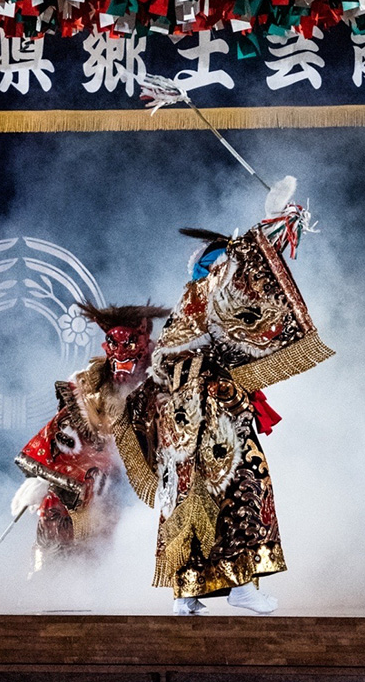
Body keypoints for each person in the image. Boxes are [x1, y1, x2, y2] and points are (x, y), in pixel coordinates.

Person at [114, 179, 335, 614]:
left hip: (182, 425)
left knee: (188, 498)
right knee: (239, 486)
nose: (243, 277)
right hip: (211, 415)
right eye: (230, 267)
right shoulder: (210, 297)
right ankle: (242, 588)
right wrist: (274, 221)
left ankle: (188, 592)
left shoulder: (189, 308)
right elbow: (249, 265)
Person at [10, 302, 170, 573]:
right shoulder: (88, 385)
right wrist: (44, 477)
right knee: (60, 503)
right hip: (102, 484)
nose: (121, 352)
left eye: (131, 343)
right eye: (114, 343)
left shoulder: (168, 378)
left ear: (146, 342)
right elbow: (67, 437)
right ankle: (53, 579)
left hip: (154, 482)